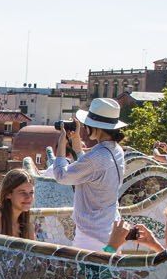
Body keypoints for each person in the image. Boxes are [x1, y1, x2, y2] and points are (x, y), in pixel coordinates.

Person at [51, 98, 126, 250]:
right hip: (110, 230)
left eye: (87, 124)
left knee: (86, 273)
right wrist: (76, 139)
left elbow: (60, 175)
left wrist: (62, 144)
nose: (85, 127)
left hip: (91, 235)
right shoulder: (116, 150)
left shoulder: (98, 156)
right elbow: (87, 166)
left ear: (96, 127)